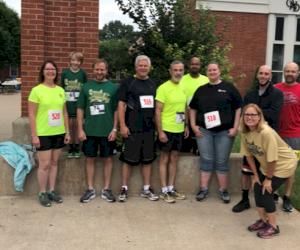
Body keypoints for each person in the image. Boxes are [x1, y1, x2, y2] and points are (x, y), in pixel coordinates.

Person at [240, 104, 297, 239]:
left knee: (266, 191)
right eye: (247, 114)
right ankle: (263, 221)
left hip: (284, 164)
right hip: (267, 165)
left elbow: (273, 159)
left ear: (260, 117)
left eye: (253, 115)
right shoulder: (245, 132)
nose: (250, 117)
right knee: (257, 187)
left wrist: (268, 179)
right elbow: (249, 155)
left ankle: (273, 226)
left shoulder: (266, 132)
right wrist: (255, 175)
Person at [232, 65, 283, 213]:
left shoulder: (277, 94)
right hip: (251, 137)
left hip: (267, 138)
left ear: (270, 76)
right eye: (261, 73)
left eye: (266, 73)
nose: (263, 76)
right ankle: (244, 199)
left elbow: (274, 114)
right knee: (247, 170)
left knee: (269, 169)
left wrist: (253, 113)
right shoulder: (250, 94)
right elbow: (244, 113)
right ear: (257, 75)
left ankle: (268, 197)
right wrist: (252, 116)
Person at [189, 63, 242, 203]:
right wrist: (194, 126)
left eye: (214, 70)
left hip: (224, 132)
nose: (212, 72)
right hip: (204, 131)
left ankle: (223, 190)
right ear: (206, 72)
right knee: (206, 159)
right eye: (209, 70)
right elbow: (192, 108)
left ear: (219, 71)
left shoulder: (229, 88)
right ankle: (203, 189)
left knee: (221, 161)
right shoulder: (201, 90)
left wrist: (235, 127)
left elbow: (238, 108)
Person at [28, 60, 70, 207]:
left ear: (56, 72)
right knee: (44, 165)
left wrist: (67, 132)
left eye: (53, 69)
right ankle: (42, 192)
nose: (50, 71)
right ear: (43, 72)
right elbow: (32, 115)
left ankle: (52, 191)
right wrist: (34, 135)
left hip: (58, 132)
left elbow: (64, 113)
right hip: (43, 133)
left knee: (54, 163)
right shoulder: (36, 90)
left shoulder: (60, 90)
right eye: (47, 69)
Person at [117, 55, 159, 202]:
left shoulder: (154, 84)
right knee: (128, 160)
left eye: (145, 65)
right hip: (131, 129)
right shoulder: (128, 83)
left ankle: (146, 189)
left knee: (147, 160)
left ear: (149, 67)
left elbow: (157, 109)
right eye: (140, 65)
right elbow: (121, 105)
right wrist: (122, 125)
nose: (143, 68)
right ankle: (124, 188)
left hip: (148, 129)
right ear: (136, 67)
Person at [77, 59, 118, 203]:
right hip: (89, 131)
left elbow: (116, 110)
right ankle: (90, 189)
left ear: (106, 71)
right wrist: (80, 129)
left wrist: (114, 128)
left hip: (107, 132)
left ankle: (106, 189)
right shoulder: (86, 87)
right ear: (93, 70)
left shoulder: (113, 88)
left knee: (108, 159)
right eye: (97, 69)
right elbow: (80, 109)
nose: (100, 72)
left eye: (102, 69)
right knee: (89, 159)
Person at [155, 60, 189, 203]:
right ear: (170, 71)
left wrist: (186, 125)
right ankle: (163, 190)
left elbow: (185, 108)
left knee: (174, 159)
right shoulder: (163, 88)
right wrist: (160, 131)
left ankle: (171, 188)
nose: (178, 72)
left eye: (180, 70)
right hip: (166, 129)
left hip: (179, 129)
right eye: (175, 70)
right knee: (164, 159)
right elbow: (157, 111)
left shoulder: (184, 87)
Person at [274, 62, 300, 212]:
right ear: (284, 72)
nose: (290, 73)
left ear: (298, 73)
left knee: (291, 167)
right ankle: (274, 193)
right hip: (276, 134)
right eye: (287, 71)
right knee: (274, 164)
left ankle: (287, 197)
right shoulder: (276, 88)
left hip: (295, 135)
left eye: (293, 71)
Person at [61, 52, 87, 158]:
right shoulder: (65, 73)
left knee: (77, 125)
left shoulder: (83, 74)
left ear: (80, 62)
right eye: (73, 60)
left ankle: (77, 146)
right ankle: (70, 147)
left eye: (77, 60)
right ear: (70, 61)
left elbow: (85, 88)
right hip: (68, 103)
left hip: (78, 104)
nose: (75, 62)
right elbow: (62, 87)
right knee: (69, 125)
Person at [180, 57, 209, 154]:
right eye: (192, 64)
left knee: (200, 150)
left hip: (201, 118)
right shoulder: (182, 79)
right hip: (184, 117)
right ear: (189, 65)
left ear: (200, 66)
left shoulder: (206, 80)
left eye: (197, 64)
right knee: (184, 149)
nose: (194, 66)